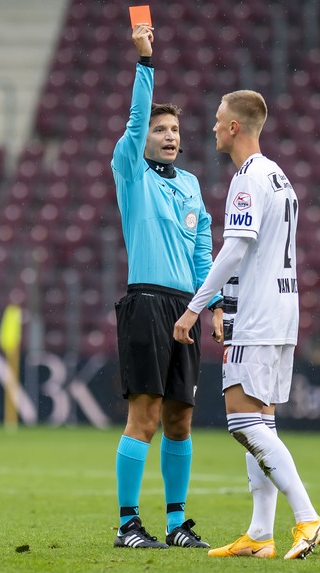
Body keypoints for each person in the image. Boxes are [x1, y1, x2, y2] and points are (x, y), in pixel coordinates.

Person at [173, 89, 320, 560]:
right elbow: (261, 254)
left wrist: (197, 306)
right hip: (279, 310)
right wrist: (232, 310)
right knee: (260, 420)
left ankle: (307, 517)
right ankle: (261, 533)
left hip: (261, 316)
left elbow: (237, 250)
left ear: (235, 127)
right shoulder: (278, 176)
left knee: (243, 421)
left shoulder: (247, 179)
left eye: (219, 120)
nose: (214, 127)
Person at [110, 24, 223, 550]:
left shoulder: (194, 185)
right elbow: (135, 121)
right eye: (162, 129)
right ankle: (128, 523)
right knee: (146, 415)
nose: (171, 136)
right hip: (147, 303)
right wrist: (146, 62)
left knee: (180, 418)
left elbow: (203, 250)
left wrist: (212, 303)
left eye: (176, 129)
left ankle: (177, 523)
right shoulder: (131, 168)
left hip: (186, 309)